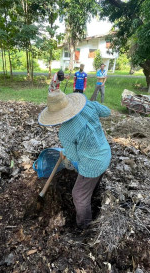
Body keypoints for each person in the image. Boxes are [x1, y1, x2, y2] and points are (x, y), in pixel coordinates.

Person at [38, 90, 111, 230]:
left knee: (78, 195)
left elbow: (75, 158)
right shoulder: (89, 106)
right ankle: (92, 197)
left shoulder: (65, 132)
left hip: (92, 166)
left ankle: (85, 226)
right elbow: (107, 111)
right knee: (92, 185)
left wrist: (66, 154)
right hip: (105, 154)